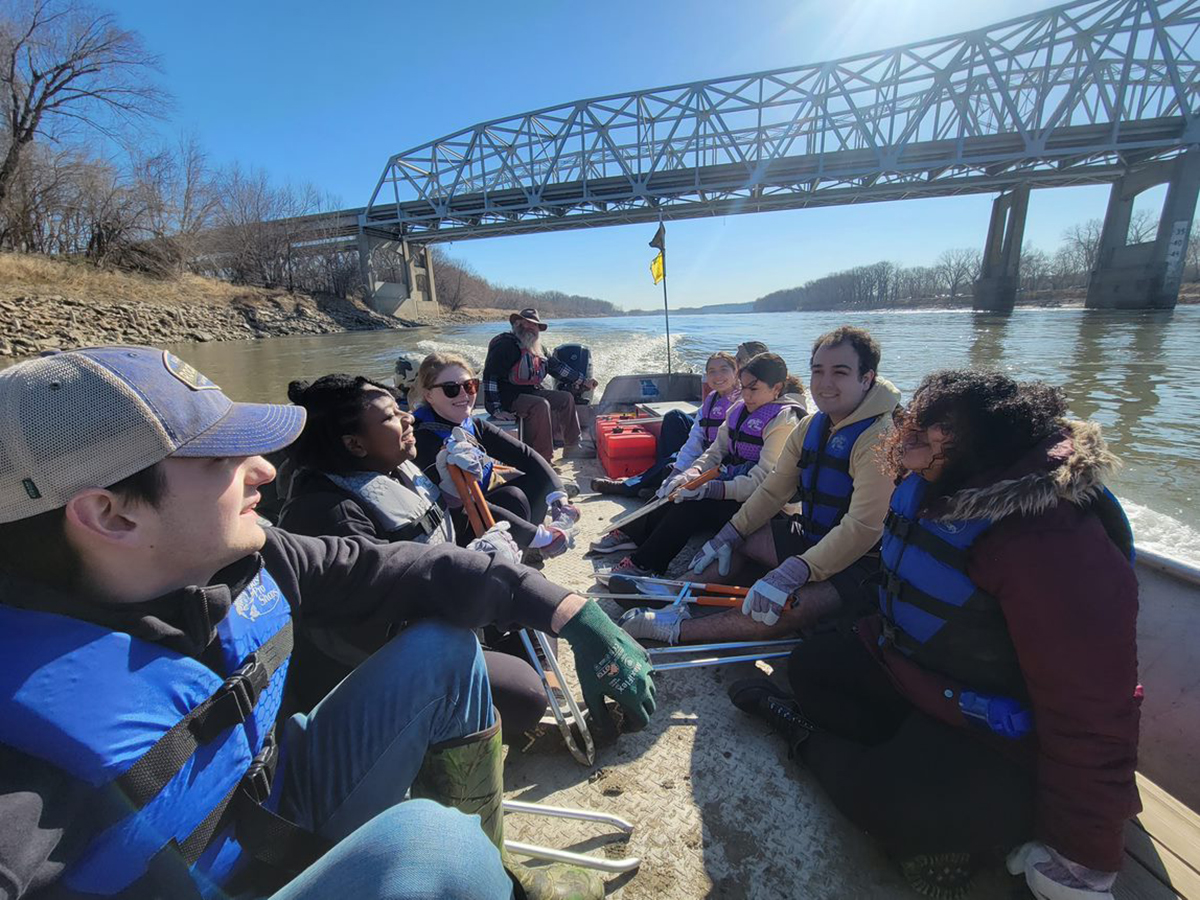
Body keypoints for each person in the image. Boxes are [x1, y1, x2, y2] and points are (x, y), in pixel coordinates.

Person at [0, 346, 656, 900]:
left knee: (443, 651)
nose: (262, 469)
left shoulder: (244, 553)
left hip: (284, 799)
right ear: (111, 515)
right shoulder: (18, 748)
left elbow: (405, 566)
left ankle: (489, 858)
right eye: (220, 459)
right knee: (431, 843)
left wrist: (571, 612)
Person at [726, 370, 1140, 900]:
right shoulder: (934, 482)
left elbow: (1096, 702)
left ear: (986, 440)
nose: (909, 431)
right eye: (914, 417)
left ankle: (797, 733)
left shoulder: (1046, 535)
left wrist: (1084, 853)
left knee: (892, 803)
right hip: (917, 675)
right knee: (811, 669)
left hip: (995, 729)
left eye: (934, 425)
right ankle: (907, 773)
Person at [276, 373, 553, 739]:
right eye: (391, 416)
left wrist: (457, 506)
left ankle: (546, 693)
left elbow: (431, 529)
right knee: (524, 696)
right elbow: (374, 627)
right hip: (382, 660)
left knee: (532, 599)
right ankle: (437, 744)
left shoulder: (393, 469)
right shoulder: (330, 514)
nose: (408, 418)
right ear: (355, 444)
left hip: (441, 610)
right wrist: (472, 582)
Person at [622, 327, 900, 645]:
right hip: (811, 533)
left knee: (786, 608)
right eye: (818, 371)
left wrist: (799, 569)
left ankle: (679, 630)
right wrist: (731, 532)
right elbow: (773, 488)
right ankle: (676, 590)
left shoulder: (880, 436)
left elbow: (863, 528)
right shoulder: (812, 425)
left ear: (867, 377)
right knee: (741, 538)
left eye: (840, 372)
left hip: (861, 559)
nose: (825, 383)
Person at [596, 353, 804, 578]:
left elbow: (762, 481)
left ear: (777, 388)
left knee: (695, 502)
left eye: (754, 389)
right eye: (743, 388)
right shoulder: (737, 410)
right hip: (734, 490)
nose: (746, 395)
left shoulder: (785, 421)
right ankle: (634, 535)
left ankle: (645, 564)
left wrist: (712, 489)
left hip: (764, 507)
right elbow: (715, 452)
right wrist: (691, 474)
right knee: (679, 491)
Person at [410, 352, 577, 559]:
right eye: (451, 389)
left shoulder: (471, 424)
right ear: (428, 395)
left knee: (534, 481)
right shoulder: (421, 439)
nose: (464, 395)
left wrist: (558, 497)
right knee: (513, 498)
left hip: (480, 505)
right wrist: (538, 535)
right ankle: (507, 565)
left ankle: (523, 553)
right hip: (452, 525)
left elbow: (524, 455)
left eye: (469, 386)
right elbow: (462, 504)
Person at [589, 351, 741, 499]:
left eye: (724, 370)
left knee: (673, 462)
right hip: (705, 445)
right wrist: (681, 464)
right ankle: (660, 481)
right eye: (712, 371)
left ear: (736, 372)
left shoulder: (742, 402)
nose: (717, 376)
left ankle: (627, 487)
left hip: (721, 456)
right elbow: (696, 436)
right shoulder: (711, 400)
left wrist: (681, 464)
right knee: (674, 417)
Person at [482, 307, 597, 463]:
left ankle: (573, 447)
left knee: (566, 398)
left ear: (538, 329)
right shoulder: (505, 345)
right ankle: (544, 460)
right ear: (517, 324)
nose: (530, 327)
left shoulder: (539, 349)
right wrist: (496, 409)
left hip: (530, 392)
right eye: (526, 323)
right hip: (507, 397)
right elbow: (490, 377)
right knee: (540, 405)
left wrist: (584, 381)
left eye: (534, 324)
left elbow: (558, 368)